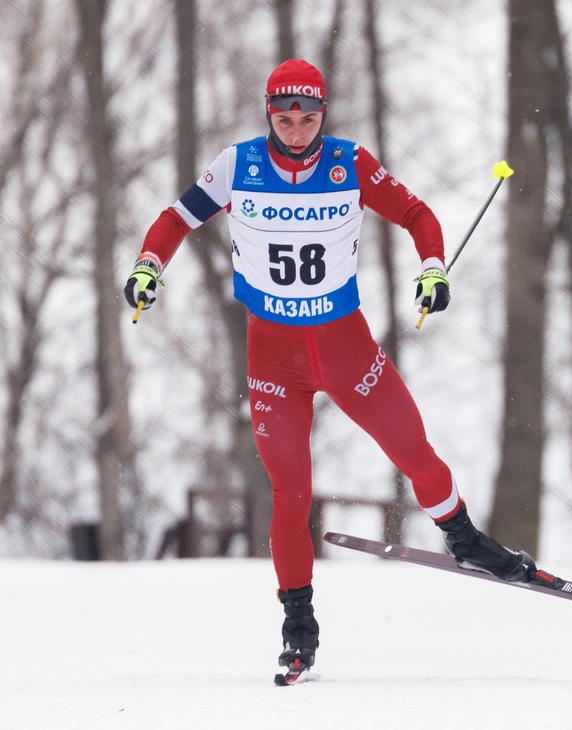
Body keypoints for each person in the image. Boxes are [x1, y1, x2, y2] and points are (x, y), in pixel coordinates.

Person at [124, 60, 539, 678]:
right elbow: (176, 217)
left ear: (325, 116)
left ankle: (464, 538)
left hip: (345, 347)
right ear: (269, 113)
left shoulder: (352, 163)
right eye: (284, 118)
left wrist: (432, 268)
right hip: (272, 357)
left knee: (413, 450)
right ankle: (298, 626)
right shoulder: (238, 165)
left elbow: (419, 216)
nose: (295, 130)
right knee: (290, 494)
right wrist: (147, 266)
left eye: (308, 118)